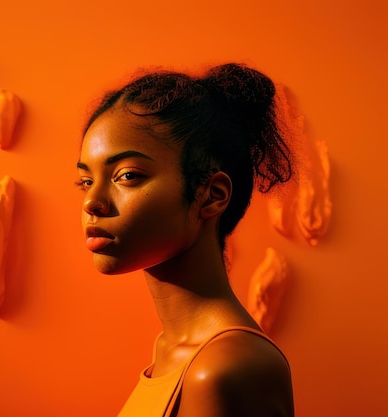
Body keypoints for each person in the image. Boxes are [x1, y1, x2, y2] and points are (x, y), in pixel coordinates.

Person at [76, 63, 295, 416]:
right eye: (85, 181)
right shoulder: (170, 349)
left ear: (211, 195)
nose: (91, 202)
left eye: (126, 175)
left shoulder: (226, 369)